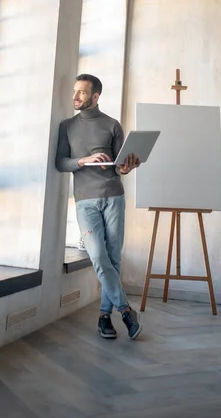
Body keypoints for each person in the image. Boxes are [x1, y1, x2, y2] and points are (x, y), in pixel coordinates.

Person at [55, 74, 142, 340]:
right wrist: (84, 160)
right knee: (97, 255)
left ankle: (104, 317)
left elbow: (118, 167)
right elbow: (60, 163)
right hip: (85, 200)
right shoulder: (67, 126)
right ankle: (126, 310)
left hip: (114, 196)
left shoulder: (112, 125)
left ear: (95, 97)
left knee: (113, 258)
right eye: (74, 91)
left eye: (81, 93)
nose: (75, 97)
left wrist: (127, 166)